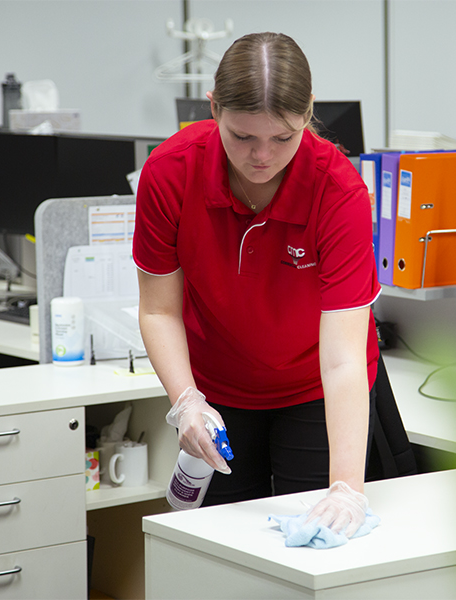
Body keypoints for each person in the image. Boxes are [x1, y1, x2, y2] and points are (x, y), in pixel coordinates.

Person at [133, 32, 381, 536]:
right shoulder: (170, 172)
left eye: (283, 138)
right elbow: (158, 309)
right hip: (217, 390)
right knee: (224, 543)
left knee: (316, 537)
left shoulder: (338, 192)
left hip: (314, 389)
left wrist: (348, 488)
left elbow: (343, 359)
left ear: (309, 111)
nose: (262, 156)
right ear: (214, 108)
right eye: (242, 137)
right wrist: (185, 401)